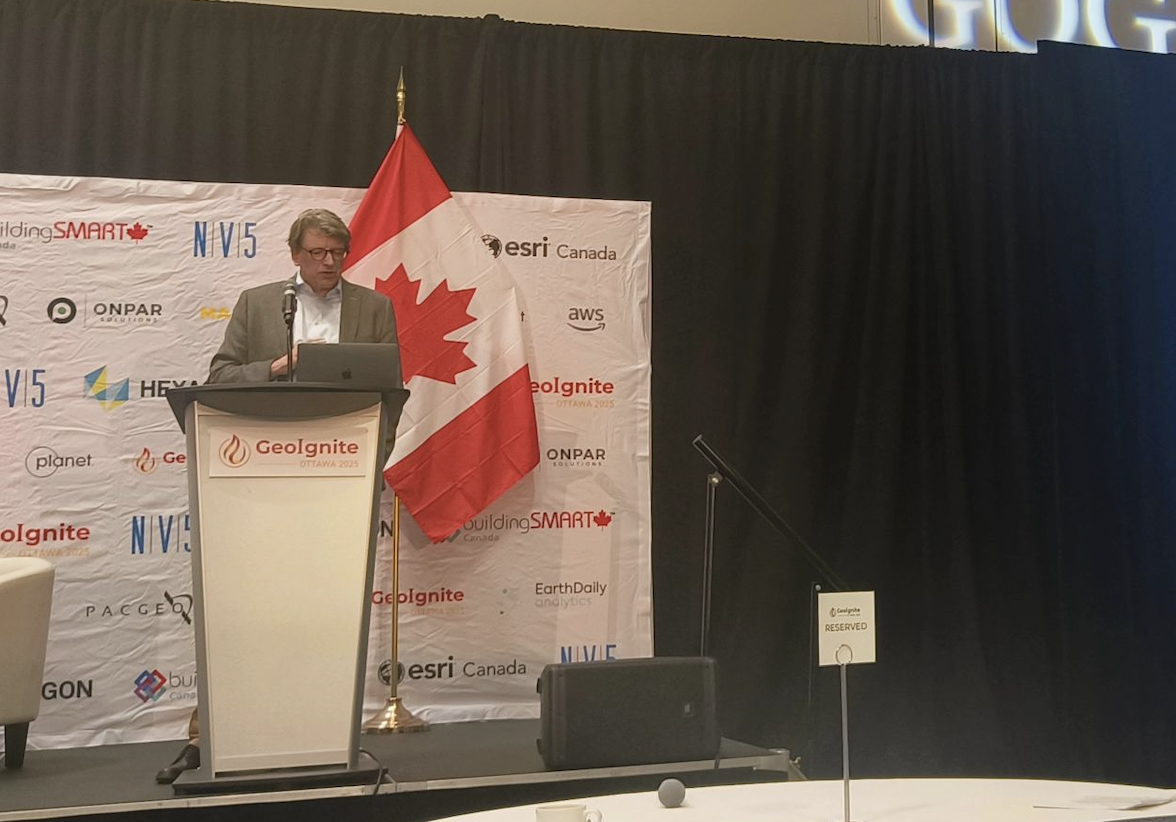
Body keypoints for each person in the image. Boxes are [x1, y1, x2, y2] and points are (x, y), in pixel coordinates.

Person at [155, 208, 400, 784]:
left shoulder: (374, 308)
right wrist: (276, 366)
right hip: (258, 482)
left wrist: (375, 463)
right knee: (250, 606)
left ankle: (320, 733)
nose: (329, 263)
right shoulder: (259, 304)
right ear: (295, 254)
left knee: (325, 611)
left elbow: (389, 393)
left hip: (340, 477)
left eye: (337, 253)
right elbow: (219, 377)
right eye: (317, 252)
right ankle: (216, 738)